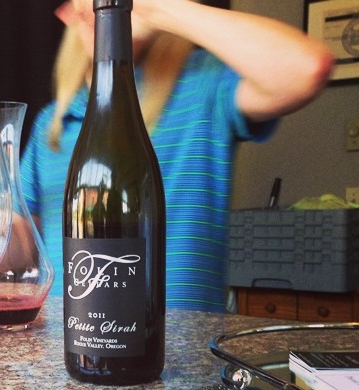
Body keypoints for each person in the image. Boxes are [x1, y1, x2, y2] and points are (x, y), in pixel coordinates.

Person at [20, 0, 333, 310]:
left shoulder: (204, 85)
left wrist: (154, 11)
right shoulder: (51, 123)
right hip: (71, 348)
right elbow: (18, 251)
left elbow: (306, 68)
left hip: (186, 354)